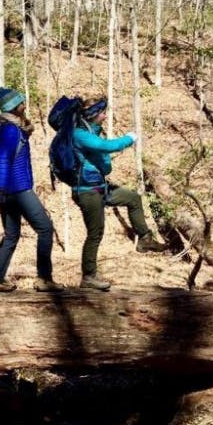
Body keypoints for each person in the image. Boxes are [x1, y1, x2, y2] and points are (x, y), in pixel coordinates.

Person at [72, 99, 167, 291]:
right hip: (87, 192)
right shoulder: (79, 134)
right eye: (102, 113)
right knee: (95, 233)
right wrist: (129, 139)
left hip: (100, 187)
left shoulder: (91, 131)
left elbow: (102, 157)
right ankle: (88, 276)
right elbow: (106, 147)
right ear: (92, 114)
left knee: (132, 198)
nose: (105, 116)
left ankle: (145, 239)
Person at [0, 87, 66, 294]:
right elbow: (3, 160)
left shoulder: (5, 126)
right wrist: (2, 190)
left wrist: (0, 192)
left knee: (11, 235)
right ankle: (44, 279)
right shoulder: (11, 130)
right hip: (17, 189)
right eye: (21, 101)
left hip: (8, 190)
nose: (25, 104)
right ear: (14, 106)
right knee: (45, 228)